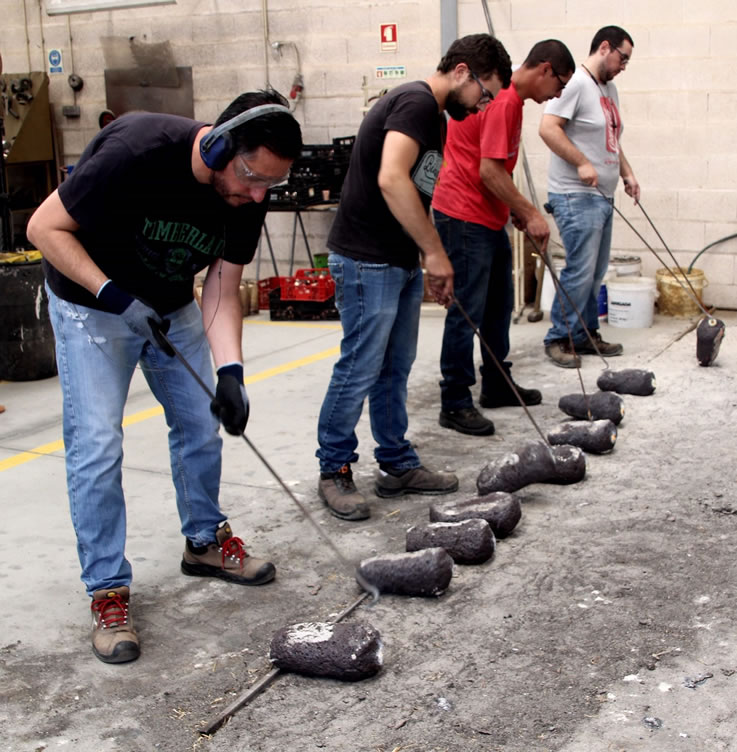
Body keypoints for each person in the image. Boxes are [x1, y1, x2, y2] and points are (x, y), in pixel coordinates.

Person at [26, 90, 303, 664]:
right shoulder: (136, 150)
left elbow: (223, 285)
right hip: (92, 305)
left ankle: (203, 543)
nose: (257, 195)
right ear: (223, 144)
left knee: (203, 427)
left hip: (170, 306)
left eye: (269, 186)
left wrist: (230, 371)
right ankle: (107, 588)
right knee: (98, 445)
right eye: (252, 176)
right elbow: (44, 228)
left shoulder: (248, 196)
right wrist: (113, 294)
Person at [316, 34, 513, 521]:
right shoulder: (417, 102)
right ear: (464, 71)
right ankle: (334, 469)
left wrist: (420, 256)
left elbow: (413, 192)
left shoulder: (437, 117)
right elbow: (391, 177)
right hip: (366, 259)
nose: (484, 105)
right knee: (360, 366)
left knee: (393, 368)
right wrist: (435, 252)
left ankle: (397, 464)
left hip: (395, 260)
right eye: (485, 93)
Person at [433, 40, 575, 436]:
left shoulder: (511, 101)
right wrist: (530, 212)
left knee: (497, 306)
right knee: (467, 311)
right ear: (545, 70)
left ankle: (496, 383)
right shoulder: (507, 101)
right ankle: (455, 401)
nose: (559, 95)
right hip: (463, 215)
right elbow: (489, 173)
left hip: (486, 216)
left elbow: (497, 170)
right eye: (560, 84)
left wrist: (513, 208)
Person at [539, 26, 640, 368]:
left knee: (595, 273)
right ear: (605, 47)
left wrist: (626, 173)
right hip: (575, 195)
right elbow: (548, 128)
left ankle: (583, 334)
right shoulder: (577, 84)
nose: (623, 66)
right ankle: (558, 338)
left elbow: (611, 139)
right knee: (580, 271)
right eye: (622, 58)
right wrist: (581, 162)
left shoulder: (608, 89)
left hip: (603, 195)